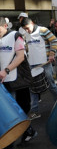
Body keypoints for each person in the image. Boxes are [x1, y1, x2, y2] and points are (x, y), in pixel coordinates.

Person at [0, 17, 37, 148]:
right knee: (10, 112)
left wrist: (6, 70)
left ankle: (24, 132)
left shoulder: (16, 36)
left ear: (5, 26)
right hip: (3, 82)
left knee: (19, 109)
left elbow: (21, 56)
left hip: (17, 80)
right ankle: (26, 131)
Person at [20, 17, 57, 120]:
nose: (27, 30)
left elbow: (54, 40)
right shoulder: (25, 34)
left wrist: (52, 54)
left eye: (28, 28)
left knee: (51, 84)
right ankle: (35, 111)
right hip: (32, 65)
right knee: (32, 88)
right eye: (25, 29)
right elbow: (27, 47)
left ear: (32, 23)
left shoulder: (43, 30)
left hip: (45, 63)